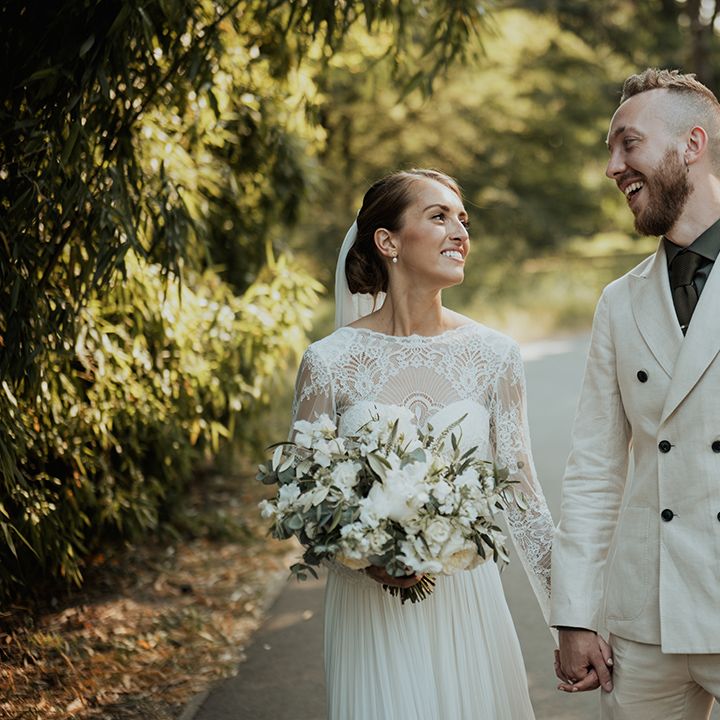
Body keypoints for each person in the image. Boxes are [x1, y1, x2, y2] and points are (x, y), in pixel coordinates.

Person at [290, 168, 554, 719]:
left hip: (468, 602)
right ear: (387, 241)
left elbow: (523, 499)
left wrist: (571, 618)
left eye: (463, 219)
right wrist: (363, 552)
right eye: (439, 217)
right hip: (368, 609)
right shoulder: (329, 362)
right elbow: (302, 500)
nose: (460, 231)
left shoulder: (494, 355)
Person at [551, 68, 720, 718]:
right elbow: (595, 469)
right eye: (609, 149)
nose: (612, 167)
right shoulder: (618, 304)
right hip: (645, 619)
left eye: (628, 144)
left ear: (691, 144)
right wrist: (574, 614)